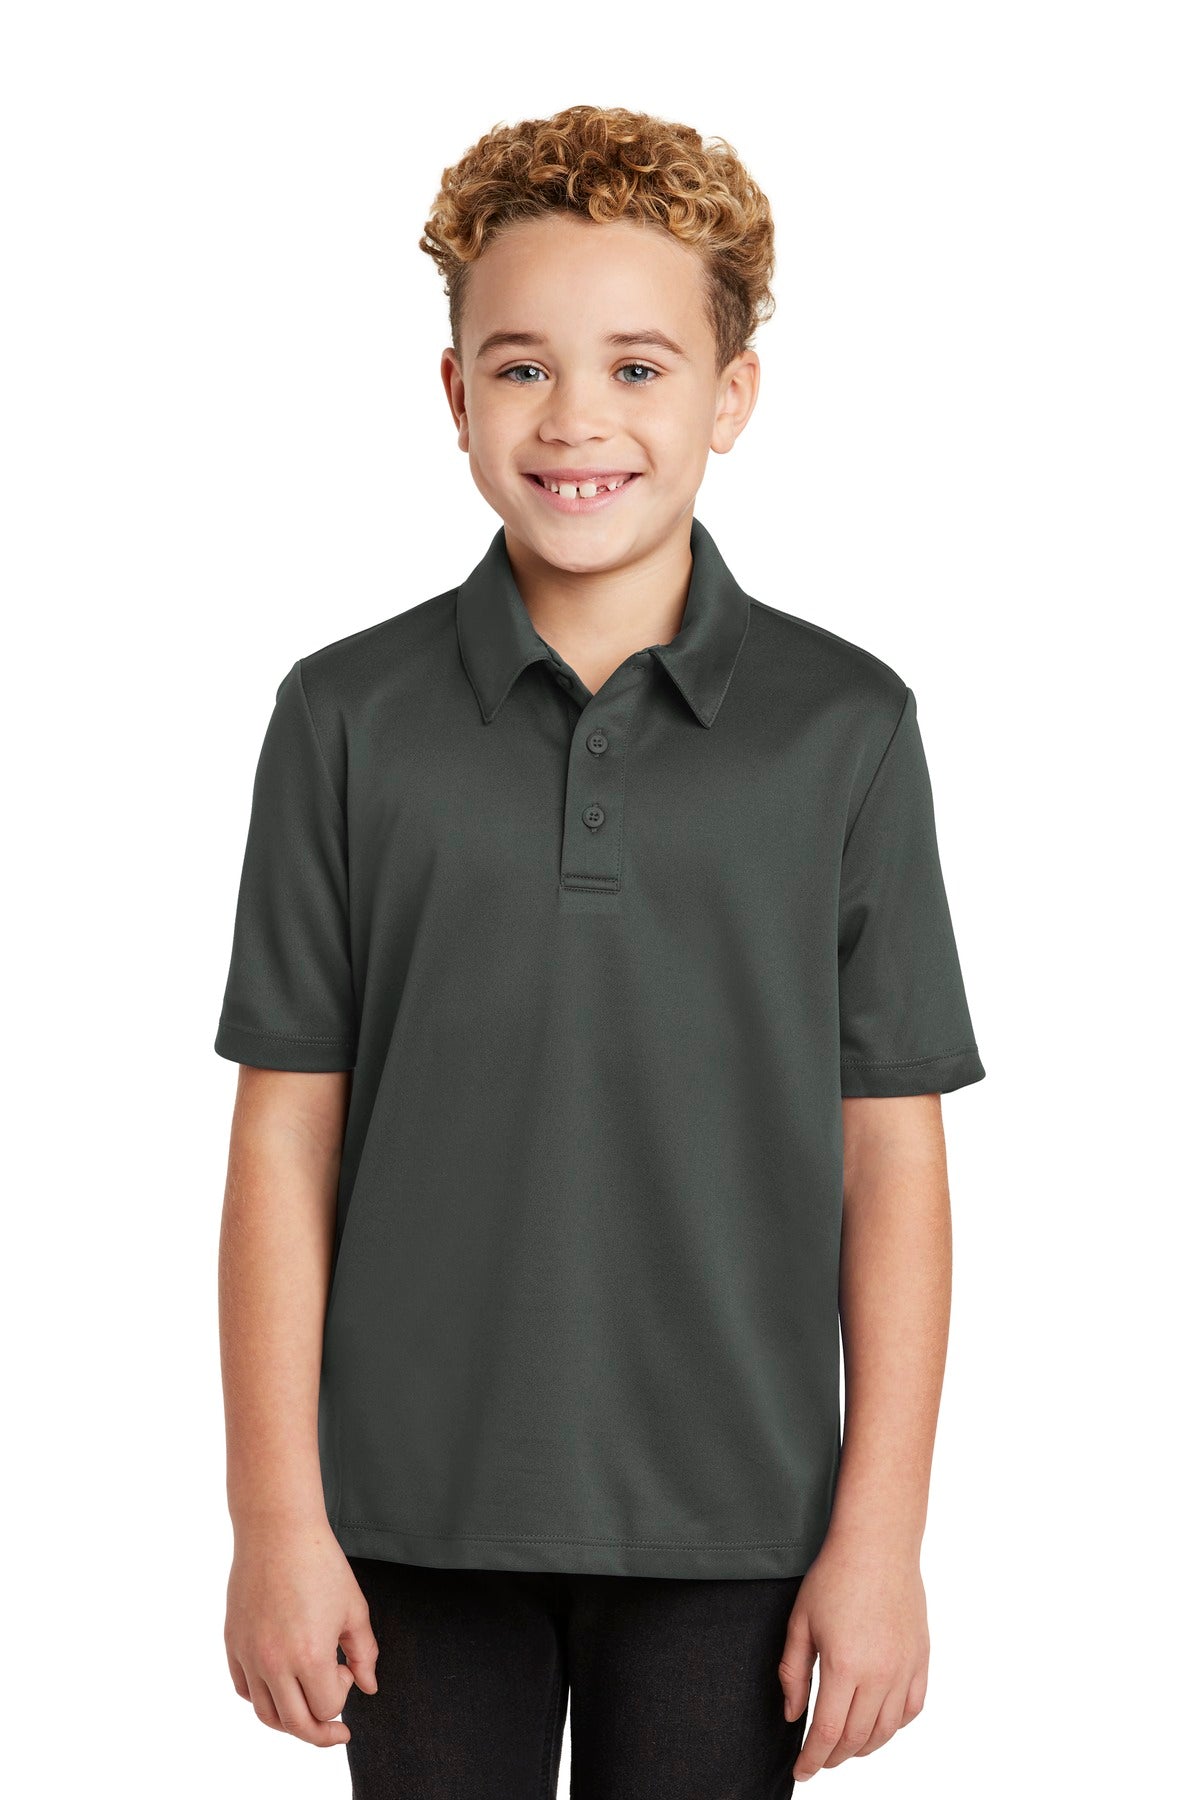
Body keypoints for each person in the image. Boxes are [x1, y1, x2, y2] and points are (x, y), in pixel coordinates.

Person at [214, 102, 986, 1798]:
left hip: (741, 1528)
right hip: (406, 1522)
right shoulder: (343, 718)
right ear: (454, 394)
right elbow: (284, 1136)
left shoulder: (845, 728)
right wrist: (275, 1521)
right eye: (521, 367)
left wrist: (882, 1539)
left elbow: (891, 1157)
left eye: (639, 367)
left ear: (732, 395)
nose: (576, 420)